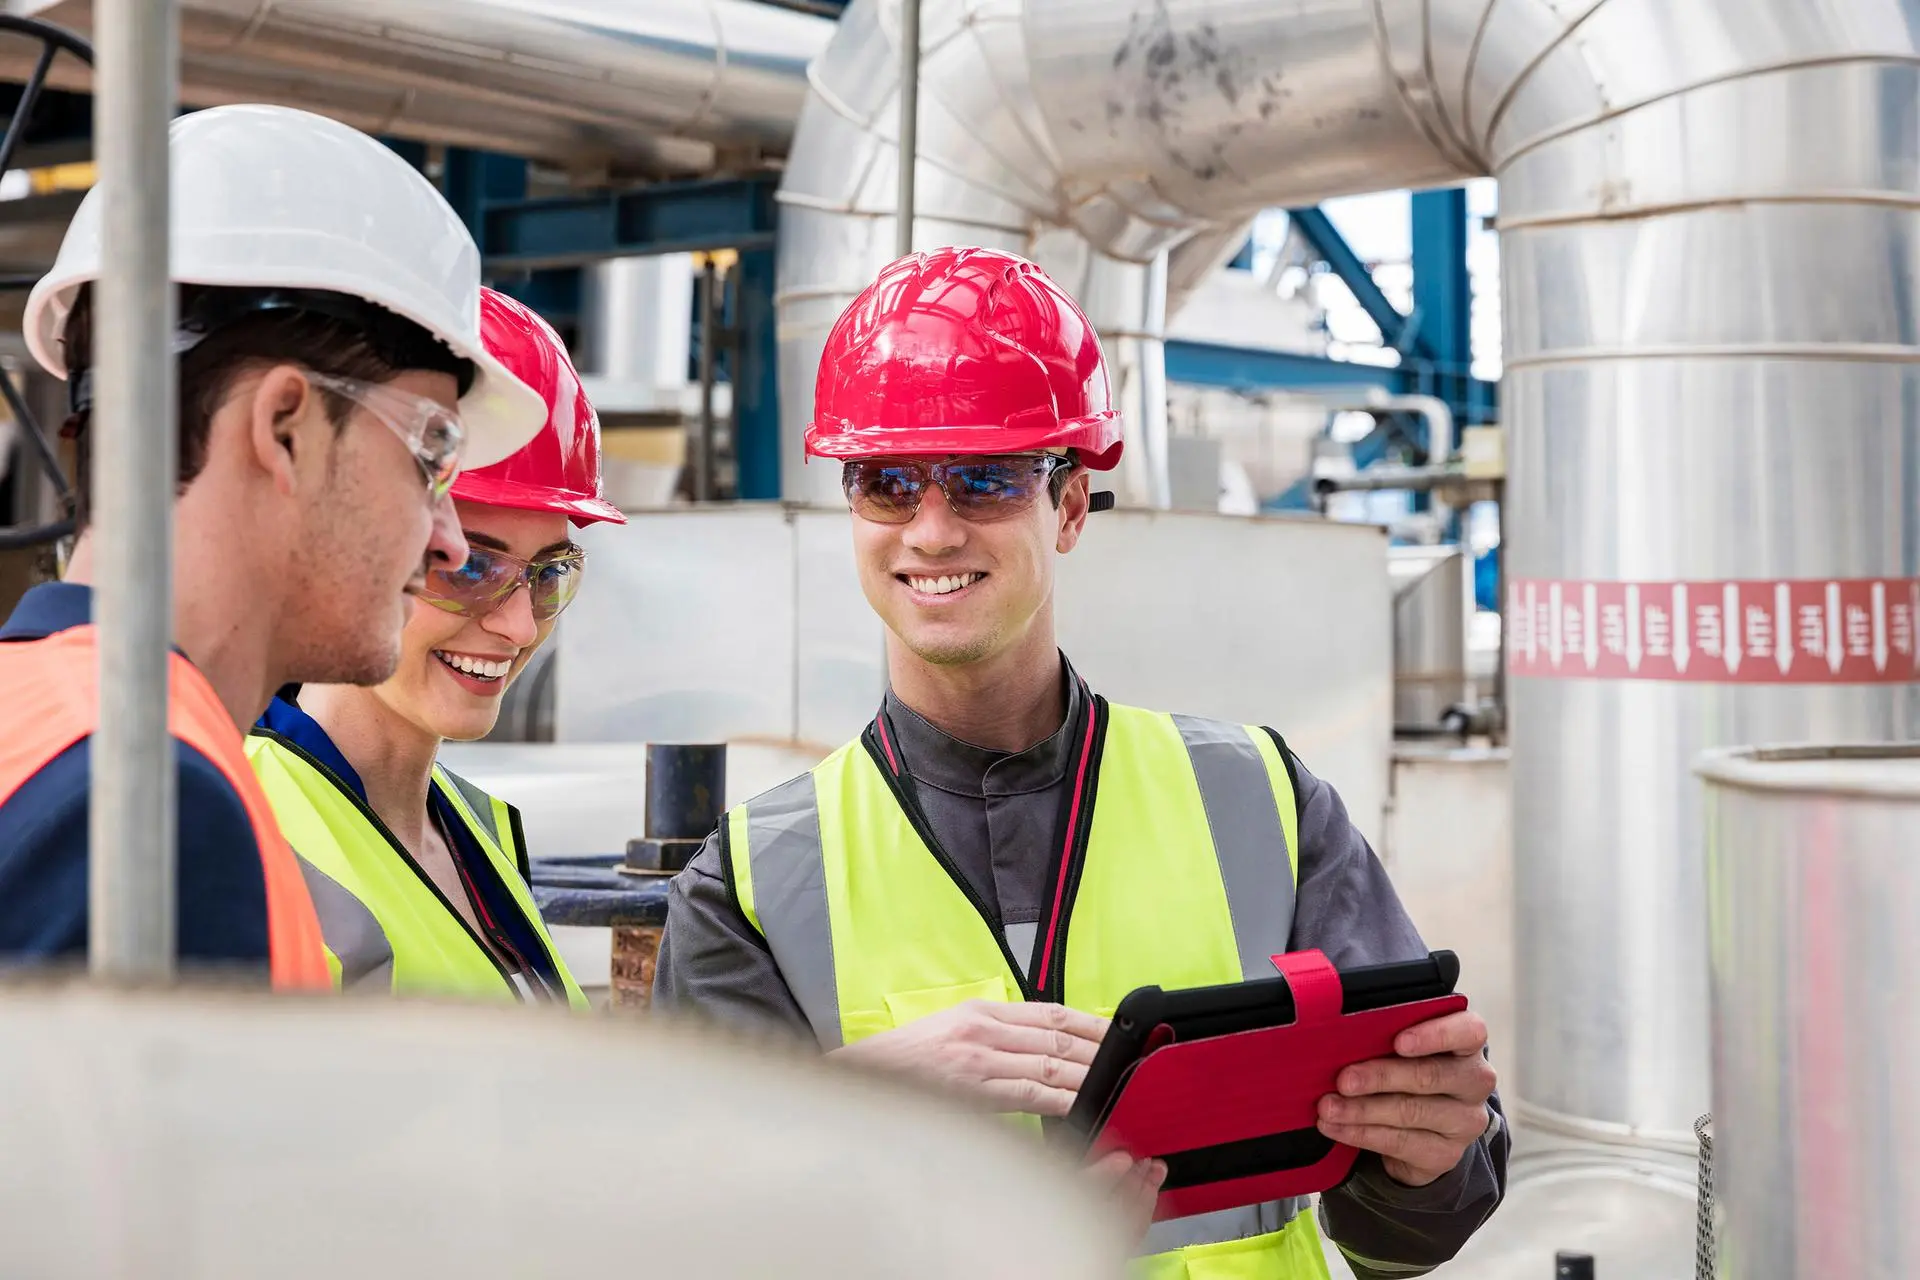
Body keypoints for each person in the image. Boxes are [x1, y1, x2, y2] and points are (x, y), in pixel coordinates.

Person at [653, 247, 1507, 1278]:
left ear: (1067, 506)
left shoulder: (1259, 803)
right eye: (888, 484)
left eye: (985, 480)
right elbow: (699, 1236)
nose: (932, 530)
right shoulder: (750, 884)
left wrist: (1427, 1159)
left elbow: (1412, 1220)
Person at [0, 104, 545, 986]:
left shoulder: (43, 724)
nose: (448, 540)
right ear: (285, 427)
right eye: (432, 450)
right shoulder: (151, 813)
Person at [247, 288, 623, 1003]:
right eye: (468, 567)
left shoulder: (474, 831)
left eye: (550, 573)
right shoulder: (244, 825)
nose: (520, 628)